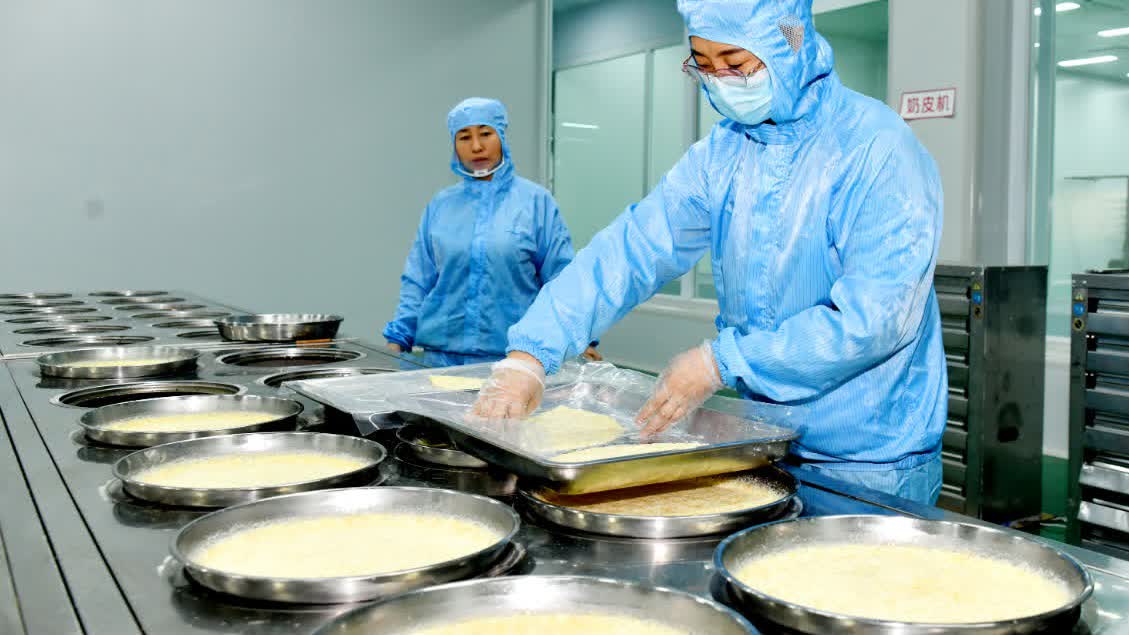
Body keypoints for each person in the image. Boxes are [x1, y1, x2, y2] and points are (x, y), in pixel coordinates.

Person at [474, 0, 946, 505]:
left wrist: (720, 363)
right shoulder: (724, 153)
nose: (719, 80)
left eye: (735, 64)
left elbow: (874, 320)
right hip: (768, 439)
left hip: (870, 461)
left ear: (788, 46)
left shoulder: (876, 149)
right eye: (703, 63)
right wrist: (530, 355)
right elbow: (632, 249)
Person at [383, 97, 600, 368]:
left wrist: (582, 337)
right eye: (464, 137)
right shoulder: (441, 206)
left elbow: (560, 278)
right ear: (454, 145)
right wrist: (399, 336)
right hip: (439, 359)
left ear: (502, 137)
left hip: (514, 359)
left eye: (486, 134)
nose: (476, 146)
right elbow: (418, 280)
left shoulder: (536, 203)